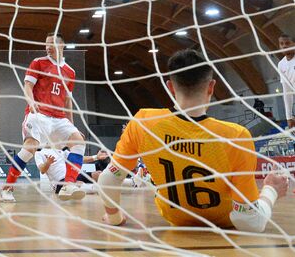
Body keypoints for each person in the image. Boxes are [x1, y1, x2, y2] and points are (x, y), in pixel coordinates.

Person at [98, 49, 288, 232]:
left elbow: (107, 179)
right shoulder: (235, 135)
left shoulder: (143, 122)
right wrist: (270, 190)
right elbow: (249, 222)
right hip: (224, 226)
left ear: (170, 87)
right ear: (211, 87)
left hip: (175, 222)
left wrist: (115, 217)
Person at [0, 33, 86, 202]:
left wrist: (72, 124)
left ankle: (68, 185)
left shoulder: (70, 72)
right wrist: (31, 103)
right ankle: (7, 188)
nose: (47, 47)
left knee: (79, 142)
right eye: (46, 44)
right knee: (30, 148)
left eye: (51, 44)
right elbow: (28, 86)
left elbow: (67, 101)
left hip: (59, 118)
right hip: (39, 114)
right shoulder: (38, 63)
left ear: (61, 46)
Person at [35, 148, 109, 197]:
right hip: (60, 182)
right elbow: (42, 170)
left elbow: (79, 159)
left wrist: (96, 157)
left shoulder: (61, 150)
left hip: (72, 176)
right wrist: (48, 163)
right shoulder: (39, 153)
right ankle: (101, 189)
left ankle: (116, 184)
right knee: (78, 184)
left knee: (98, 174)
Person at [278, 34, 295, 129]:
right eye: (281, 43)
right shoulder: (281, 64)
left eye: (287, 43)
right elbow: (287, 92)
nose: (284, 46)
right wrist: (289, 117)